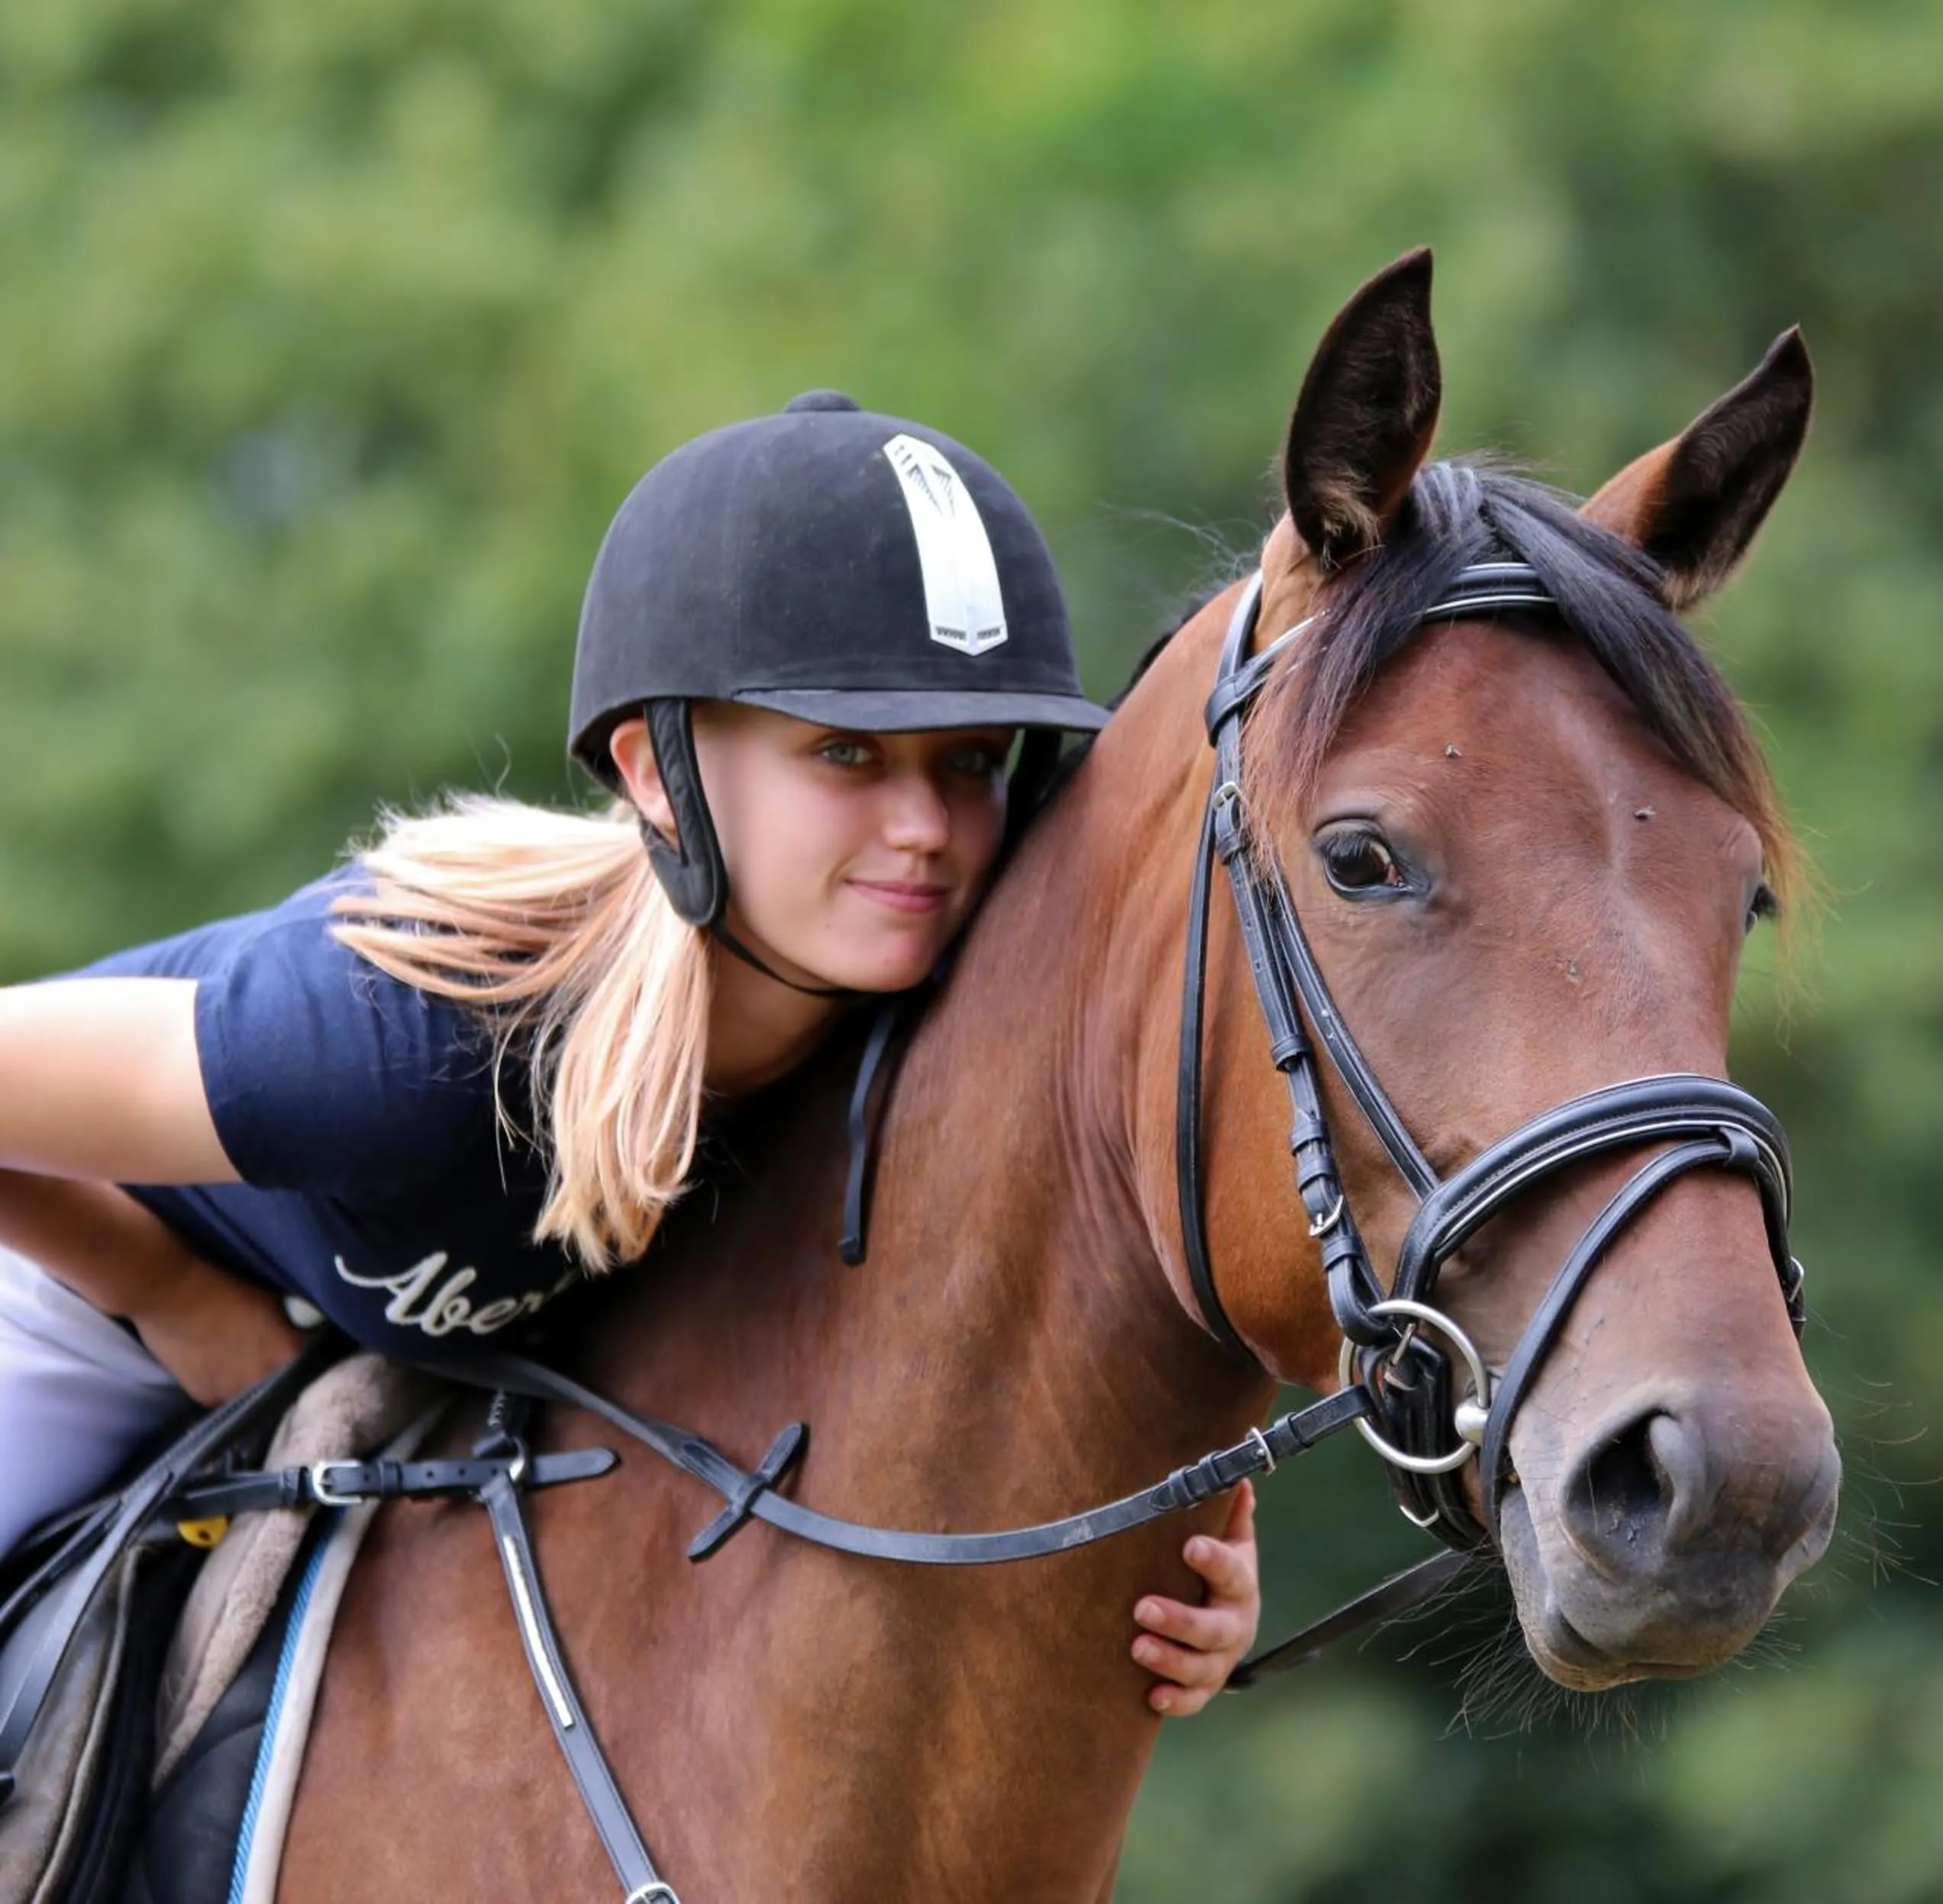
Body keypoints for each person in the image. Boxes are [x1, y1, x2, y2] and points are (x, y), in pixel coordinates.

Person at [0, 391, 1257, 1713]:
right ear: (655, 771)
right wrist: (164, 1291)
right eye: (846, 751)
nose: (926, 827)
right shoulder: (402, 1038)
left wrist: (1203, 1552)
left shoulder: (911, 1039)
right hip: (63, 1287)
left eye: (972, 762)